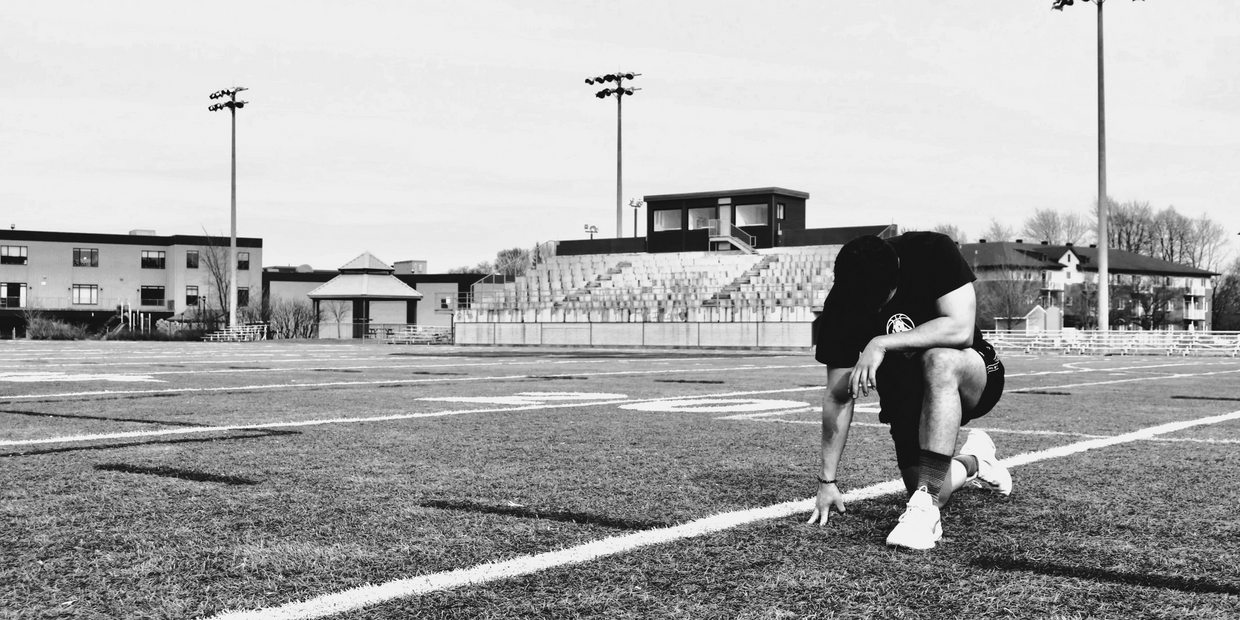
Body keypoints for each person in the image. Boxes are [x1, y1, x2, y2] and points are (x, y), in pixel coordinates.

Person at [806, 232, 1011, 550]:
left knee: (938, 359)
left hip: (971, 374)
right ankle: (977, 461)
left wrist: (881, 342)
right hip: (906, 393)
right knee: (935, 486)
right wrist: (827, 480)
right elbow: (838, 395)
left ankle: (924, 512)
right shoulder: (841, 303)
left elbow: (961, 329)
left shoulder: (932, 251)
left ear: (897, 273)